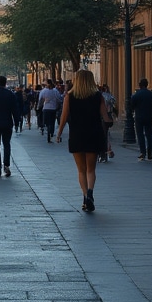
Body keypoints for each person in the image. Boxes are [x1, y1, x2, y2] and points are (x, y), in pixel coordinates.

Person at [55, 68, 112, 212]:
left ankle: (86, 196)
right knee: (91, 169)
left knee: (81, 170)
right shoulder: (98, 96)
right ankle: (91, 193)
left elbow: (64, 116)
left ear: (77, 80)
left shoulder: (70, 96)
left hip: (77, 135)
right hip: (94, 134)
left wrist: (59, 133)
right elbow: (106, 118)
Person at [130, 77, 152, 161]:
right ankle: (150, 153)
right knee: (149, 134)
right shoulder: (151, 94)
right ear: (147, 85)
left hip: (139, 117)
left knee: (140, 135)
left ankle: (142, 152)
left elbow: (132, 106)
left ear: (140, 85)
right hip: (149, 117)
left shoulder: (136, 95)